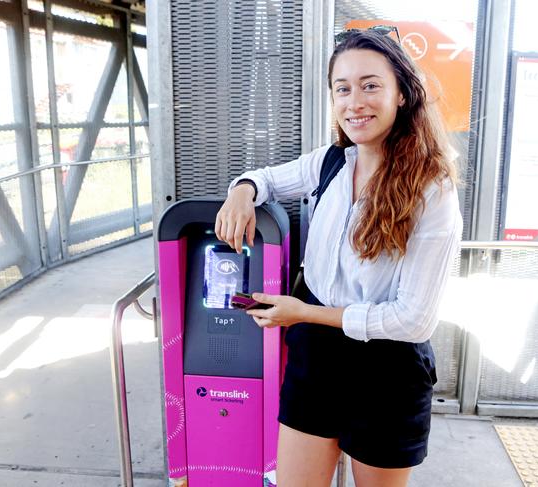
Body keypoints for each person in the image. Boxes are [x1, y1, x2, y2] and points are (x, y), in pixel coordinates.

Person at [215, 28, 462, 487]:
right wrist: (242, 192)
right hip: (316, 362)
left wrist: (303, 312)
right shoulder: (332, 162)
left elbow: (414, 321)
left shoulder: (432, 190)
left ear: (403, 94)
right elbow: (265, 178)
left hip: (386, 373)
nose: (355, 102)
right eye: (342, 89)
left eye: (371, 85)